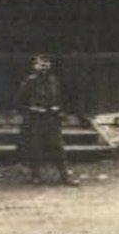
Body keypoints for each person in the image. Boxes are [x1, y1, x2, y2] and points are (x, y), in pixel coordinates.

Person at [14, 54, 79, 186]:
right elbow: (19, 103)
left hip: (52, 119)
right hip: (35, 120)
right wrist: (34, 109)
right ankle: (35, 176)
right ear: (35, 66)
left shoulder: (54, 81)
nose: (44, 68)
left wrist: (58, 109)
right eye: (41, 65)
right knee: (35, 148)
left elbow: (58, 99)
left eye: (47, 65)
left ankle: (64, 177)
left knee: (58, 148)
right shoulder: (29, 81)